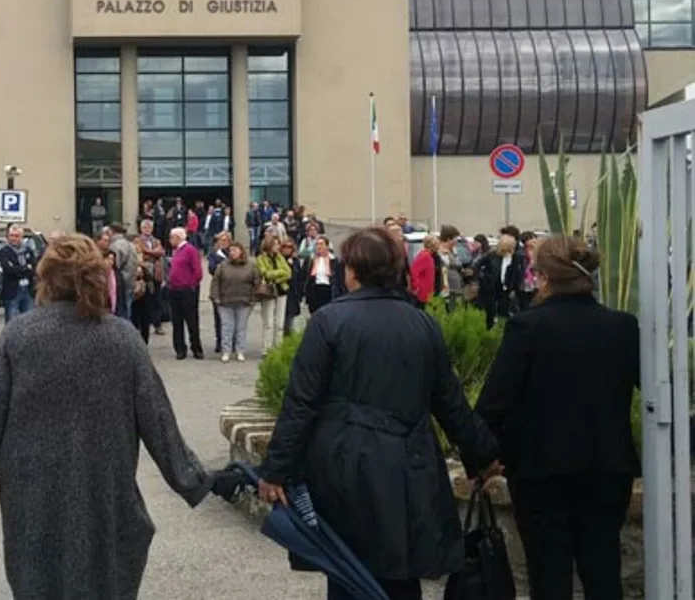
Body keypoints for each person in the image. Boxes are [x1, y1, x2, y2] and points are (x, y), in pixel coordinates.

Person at [0, 234, 226, 599]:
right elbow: (159, 421)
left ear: (47, 278)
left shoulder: (17, 336)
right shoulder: (122, 338)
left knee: (38, 580)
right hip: (104, 487)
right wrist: (194, 479)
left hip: (32, 493)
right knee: (106, 581)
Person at [258, 226, 500, 600]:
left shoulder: (329, 321)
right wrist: (481, 455)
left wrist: (276, 469)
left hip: (346, 464)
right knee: (401, 574)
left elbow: (301, 403)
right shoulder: (422, 323)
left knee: (349, 572)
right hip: (409, 463)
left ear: (354, 269)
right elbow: (450, 400)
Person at [474, 235, 639, 598]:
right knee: (604, 572)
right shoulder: (623, 327)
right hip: (607, 467)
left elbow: (493, 404)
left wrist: (484, 459)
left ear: (544, 277)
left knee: (549, 577)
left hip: (541, 473)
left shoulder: (528, 327)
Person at [209, 242, 260, 362]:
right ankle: (226, 351)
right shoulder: (223, 265)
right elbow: (216, 282)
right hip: (225, 301)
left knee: (240, 328)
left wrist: (253, 298)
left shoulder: (250, 266)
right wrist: (215, 296)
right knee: (226, 327)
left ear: (241, 251)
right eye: (231, 250)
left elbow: (256, 283)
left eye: (235, 250)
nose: (232, 253)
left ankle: (240, 351)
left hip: (244, 301)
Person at [166, 227, 204, 360]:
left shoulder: (190, 250)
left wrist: (191, 285)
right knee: (177, 321)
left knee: (191, 320)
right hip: (174, 289)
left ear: (178, 237)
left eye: (171, 237)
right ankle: (180, 348)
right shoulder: (176, 251)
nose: (170, 240)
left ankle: (196, 347)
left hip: (186, 289)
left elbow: (197, 270)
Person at [255, 237, 292, 355]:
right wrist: (279, 273)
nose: (278, 247)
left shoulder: (280, 257)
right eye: (276, 244)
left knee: (280, 323)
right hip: (268, 292)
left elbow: (288, 273)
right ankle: (266, 348)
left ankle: (278, 347)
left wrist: (276, 277)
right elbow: (265, 273)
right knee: (268, 322)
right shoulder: (261, 258)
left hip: (282, 291)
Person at [0, 225, 36, 321]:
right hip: (12, 292)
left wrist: (17, 268)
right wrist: (25, 267)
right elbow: (8, 269)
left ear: (21, 237)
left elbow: (34, 268)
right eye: (11, 235)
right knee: (11, 322)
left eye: (16, 236)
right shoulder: (4, 251)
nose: (13, 238)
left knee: (28, 322)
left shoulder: (28, 251)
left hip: (27, 290)